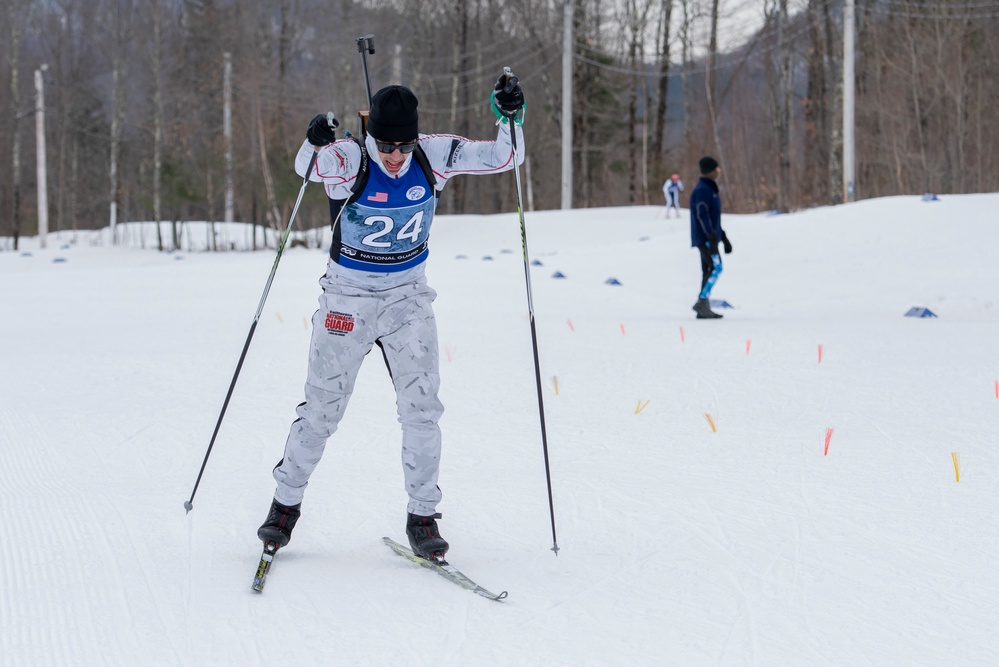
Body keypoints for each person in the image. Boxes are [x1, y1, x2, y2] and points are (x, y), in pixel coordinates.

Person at [256, 75, 526, 560]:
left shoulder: (434, 154)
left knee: (423, 409)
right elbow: (306, 168)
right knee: (321, 411)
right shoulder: (348, 157)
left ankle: (423, 517)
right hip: (347, 299)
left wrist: (510, 118)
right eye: (386, 144)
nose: (396, 155)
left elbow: (505, 158)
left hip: (408, 300)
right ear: (370, 136)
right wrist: (313, 138)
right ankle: (284, 506)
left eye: (404, 144)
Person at [689, 156, 732, 319]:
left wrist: (724, 237)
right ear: (711, 170)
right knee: (716, 268)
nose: (719, 171)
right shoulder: (703, 190)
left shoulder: (709, 189)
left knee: (708, 269)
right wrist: (710, 237)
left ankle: (703, 306)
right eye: (717, 168)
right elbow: (702, 214)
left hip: (709, 236)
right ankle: (702, 300)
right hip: (705, 238)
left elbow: (713, 217)